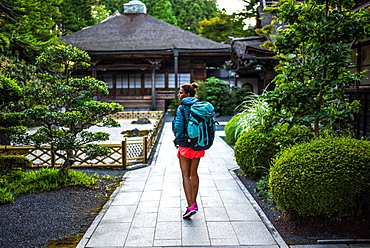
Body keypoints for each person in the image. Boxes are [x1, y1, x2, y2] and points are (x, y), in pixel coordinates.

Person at [172, 83, 205, 219]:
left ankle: (190, 205)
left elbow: (179, 127)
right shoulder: (200, 106)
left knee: (185, 175)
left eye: (180, 93)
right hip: (198, 144)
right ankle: (194, 203)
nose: (178, 95)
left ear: (187, 94)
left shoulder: (182, 108)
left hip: (185, 144)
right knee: (194, 173)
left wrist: (175, 130)